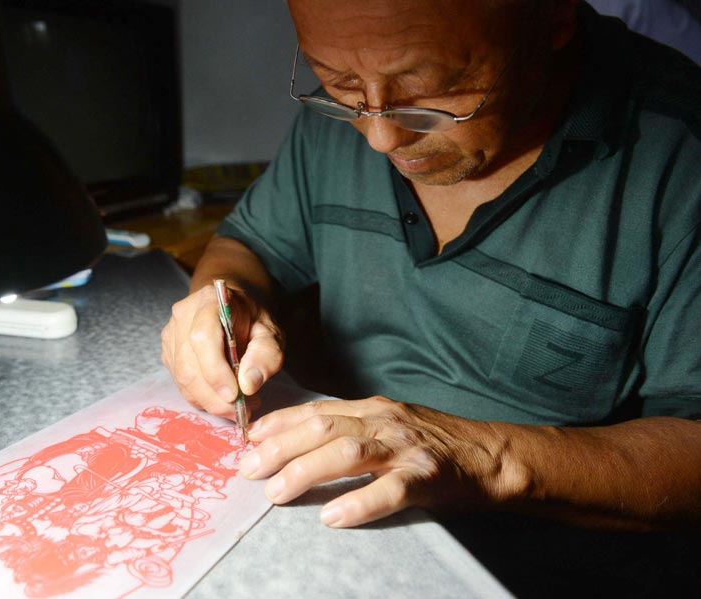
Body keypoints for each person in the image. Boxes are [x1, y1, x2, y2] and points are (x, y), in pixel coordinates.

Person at [160, 0, 701, 540]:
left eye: (430, 89)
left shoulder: (680, 153)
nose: (381, 138)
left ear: (553, 17)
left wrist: (484, 460)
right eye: (337, 80)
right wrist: (219, 300)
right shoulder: (360, 100)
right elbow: (247, 247)